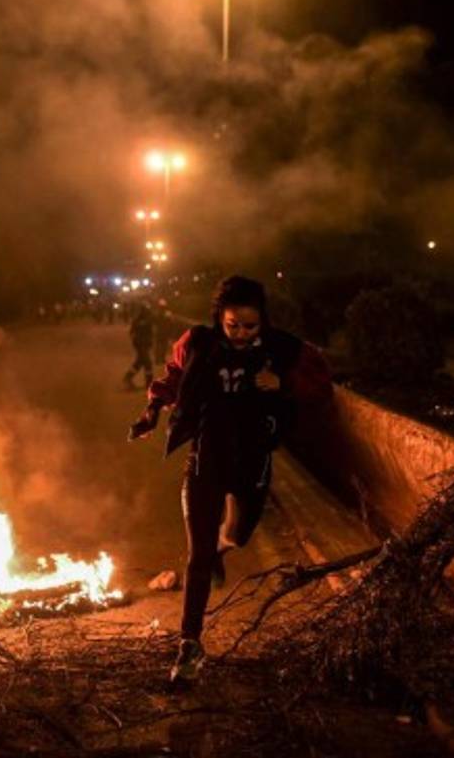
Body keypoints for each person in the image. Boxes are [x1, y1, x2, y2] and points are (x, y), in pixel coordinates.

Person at [128, 275, 332, 684]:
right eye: (232, 325)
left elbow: (322, 385)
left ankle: (223, 549)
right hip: (206, 458)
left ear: (263, 322)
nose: (240, 334)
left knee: (237, 535)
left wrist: (283, 384)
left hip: (252, 461)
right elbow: (173, 378)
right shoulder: (199, 343)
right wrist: (151, 411)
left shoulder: (284, 350)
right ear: (219, 319)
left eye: (250, 326)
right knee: (197, 557)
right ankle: (190, 644)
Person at [123, 302, 156, 389]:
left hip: (142, 343)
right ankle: (149, 382)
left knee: (140, 361)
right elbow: (133, 332)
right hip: (141, 344)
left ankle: (128, 378)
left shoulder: (144, 319)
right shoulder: (141, 320)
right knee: (147, 362)